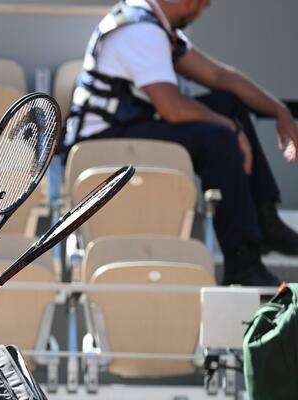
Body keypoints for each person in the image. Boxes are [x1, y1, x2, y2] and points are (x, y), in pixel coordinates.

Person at [63, 0, 298, 286]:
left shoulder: (152, 22)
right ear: (190, 3)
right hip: (102, 145)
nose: (201, 11)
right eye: (203, 5)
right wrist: (232, 130)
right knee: (219, 137)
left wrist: (278, 110)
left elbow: (220, 77)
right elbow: (171, 109)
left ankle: (265, 219)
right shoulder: (141, 30)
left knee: (228, 104)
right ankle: (243, 265)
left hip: (127, 130)